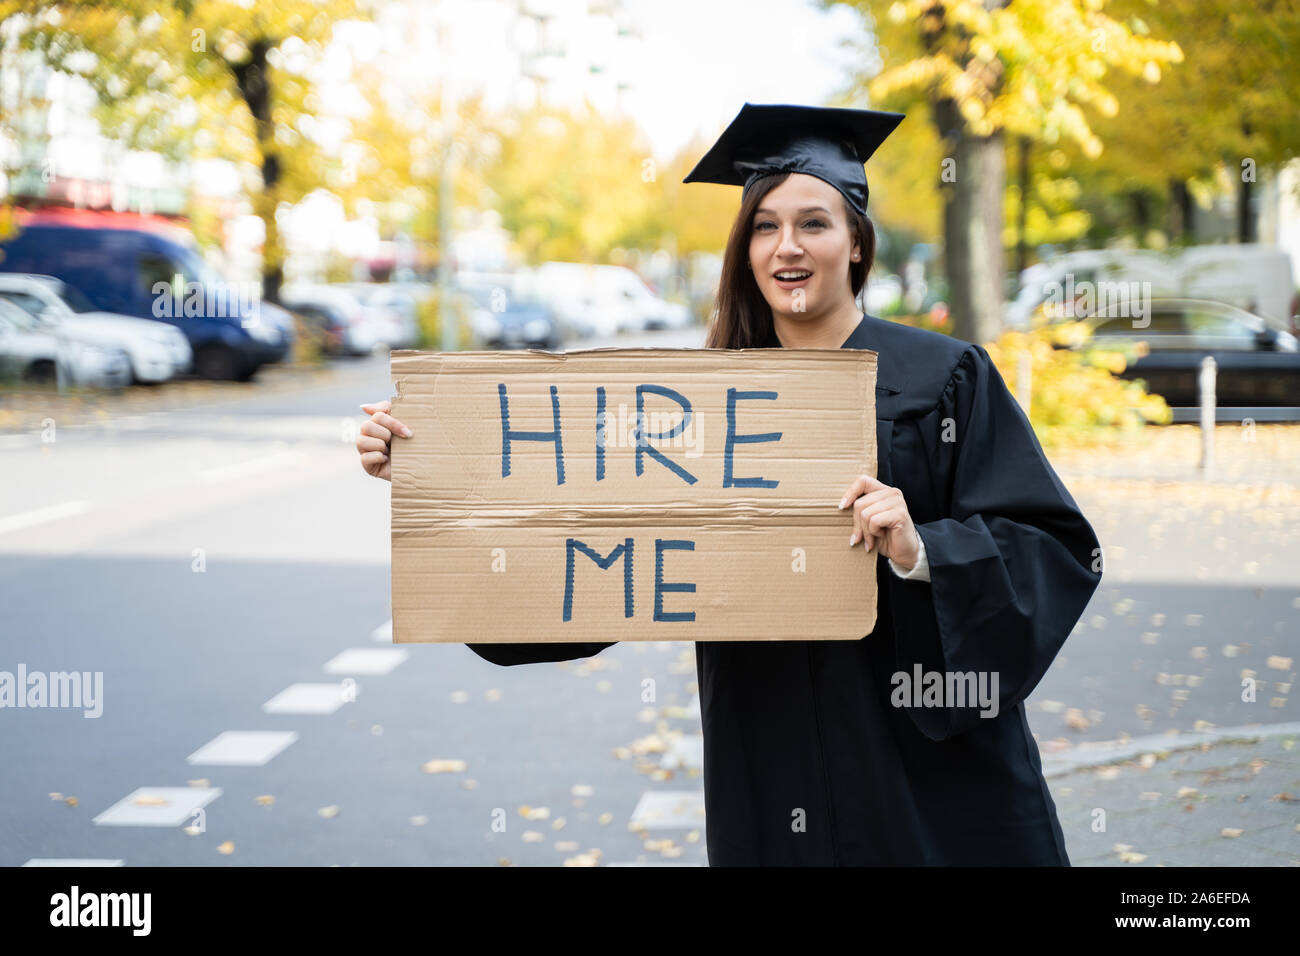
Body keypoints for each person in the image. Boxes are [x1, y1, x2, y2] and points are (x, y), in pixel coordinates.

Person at [357, 103, 1103, 866]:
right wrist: (434, 475)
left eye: (815, 223)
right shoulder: (699, 406)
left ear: (856, 245)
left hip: (928, 774)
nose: (788, 246)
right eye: (764, 226)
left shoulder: (943, 378)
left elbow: (1053, 545)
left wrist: (923, 552)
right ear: (744, 251)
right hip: (772, 765)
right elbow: (592, 564)